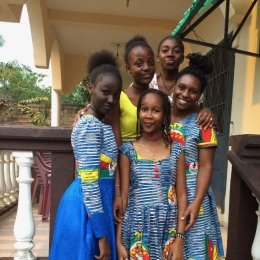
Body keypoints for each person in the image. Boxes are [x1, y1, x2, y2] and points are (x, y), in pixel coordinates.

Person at [49, 50, 122, 260]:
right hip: (87, 210)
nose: (111, 99)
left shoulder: (100, 124)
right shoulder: (90, 126)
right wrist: (102, 237)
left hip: (97, 205)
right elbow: (90, 183)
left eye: (116, 95)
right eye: (105, 92)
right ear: (91, 88)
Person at [116, 88, 187, 260]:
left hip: (167, 228)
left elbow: (182, 196)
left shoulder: (176, 150)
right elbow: (123, 199)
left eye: (155, 110)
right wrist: (118, 241)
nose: (148, 115)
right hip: (135, 229)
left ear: (164, 115)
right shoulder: (127, 151)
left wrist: (179, 238)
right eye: (144, 109)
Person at [170, 53, 225, 259]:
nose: (185, 94)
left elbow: (206, 167)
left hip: (194, 196)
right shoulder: (158, 115)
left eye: (193, 91)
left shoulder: (203, 123)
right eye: (181, 87)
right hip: (164, 194)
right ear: (174, 86)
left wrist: (197, 202)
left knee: (195, 249)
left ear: (200, 95)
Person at [150, 35, 214, 130]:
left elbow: (200, 110)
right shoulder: (147, 83)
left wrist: (207, 112)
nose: (170, 54)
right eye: (165, 50)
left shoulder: (191, 81)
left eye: (176, 51)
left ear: (182, 58)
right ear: (158, 57)